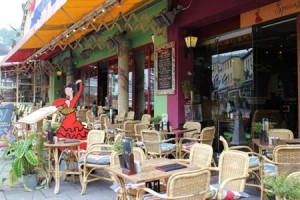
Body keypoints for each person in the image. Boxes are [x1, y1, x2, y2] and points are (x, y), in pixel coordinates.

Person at [52, 79, 89, 149]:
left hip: (72, 119)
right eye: (66, 91)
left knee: (75, 136)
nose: (66, 92)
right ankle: (66, 151)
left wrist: (80, 83)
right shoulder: (64, 101)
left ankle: (74, 151)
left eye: (68, 90)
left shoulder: (73, 100)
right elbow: (54, 104)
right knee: (63, 136)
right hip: (67, 120)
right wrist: (63, 105)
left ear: (72, 91)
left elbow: (80, 91)